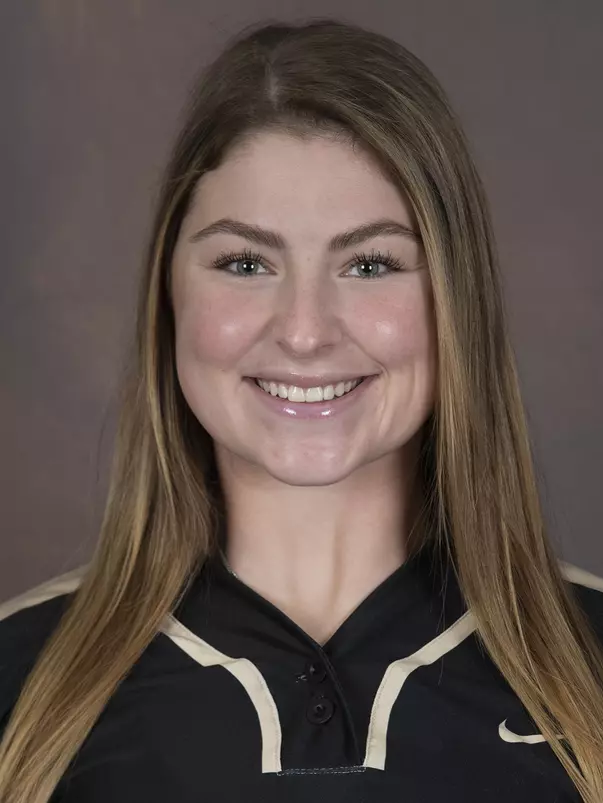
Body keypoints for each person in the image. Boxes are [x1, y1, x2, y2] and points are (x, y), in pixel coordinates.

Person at [1, 16, 602, 803]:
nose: (305, 330)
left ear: (456, 298)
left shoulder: (588, 665)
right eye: (245, 262)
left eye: (369, 262)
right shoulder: (19, 677)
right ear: (168, 295)